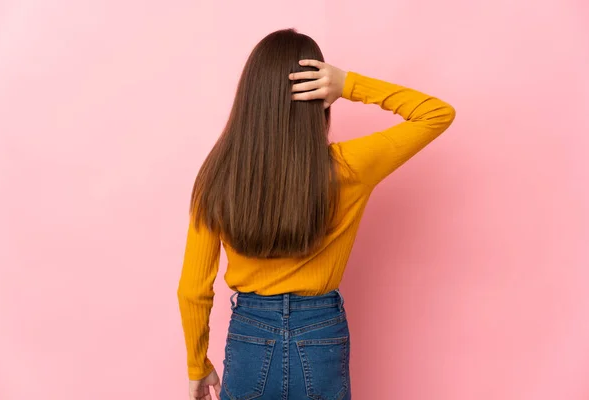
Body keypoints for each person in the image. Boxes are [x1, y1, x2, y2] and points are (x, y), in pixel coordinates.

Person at [177, 28, 455, 400]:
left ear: (250, 98)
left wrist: (198, 365)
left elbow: (193, 289)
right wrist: (349, 84)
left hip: (250, 333)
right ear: (320, 101)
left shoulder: (218, 175)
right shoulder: (348, 167)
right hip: (321, 331)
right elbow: (435, 114)